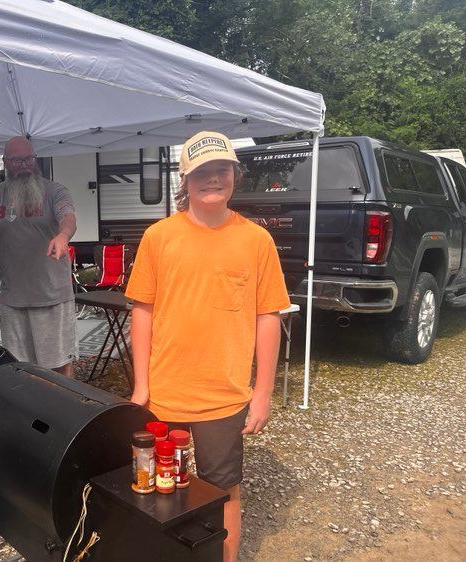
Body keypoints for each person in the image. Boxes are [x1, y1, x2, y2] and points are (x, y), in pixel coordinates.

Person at [125, 131, 290, 562]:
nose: (212, 179)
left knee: (222, 492)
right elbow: (141, 313)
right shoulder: (159, 237)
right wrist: (141, 387)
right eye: (201, 171)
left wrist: (263, 394)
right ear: (185, 180)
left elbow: (268, 317)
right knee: (164, 488)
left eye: (221, 169)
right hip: (165, 393)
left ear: (235, 175)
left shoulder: (256, 241)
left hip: (225, 397)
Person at [0, 136, 77, 376]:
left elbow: (68, 218)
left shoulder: (54, 191)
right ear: (5, 162)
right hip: (12, 301)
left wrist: (62, 236)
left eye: (28, 159)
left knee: (58, 367)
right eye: (17, 160)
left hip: (52, 298)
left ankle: (61, 413)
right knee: (18, 368)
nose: (24, 165)